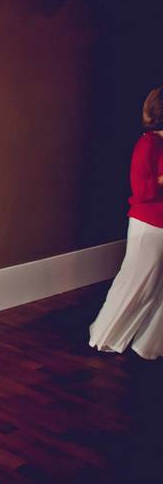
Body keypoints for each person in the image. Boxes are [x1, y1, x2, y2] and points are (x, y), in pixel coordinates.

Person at [89, 85, 163, 360]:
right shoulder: (148, 144)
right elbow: (143, 192)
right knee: (135, 282)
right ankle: (105, 337)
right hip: (150, 224)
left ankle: (148, 344)